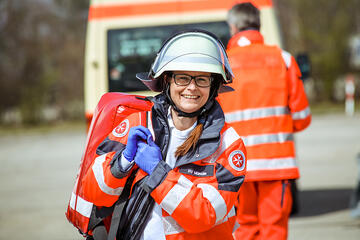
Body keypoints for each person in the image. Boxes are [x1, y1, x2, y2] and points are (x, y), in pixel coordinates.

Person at [81, 30, 247, 239]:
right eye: (183, 78)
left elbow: (205, 215)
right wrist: (122, 162)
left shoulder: (229, 144)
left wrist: (158, 172)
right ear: (167, 80)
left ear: (214, 86)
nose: (192, 87)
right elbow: (94, 194)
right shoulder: (137, 124)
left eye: (202, 79)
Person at [217, 3, 311, 240]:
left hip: (236, 164)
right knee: (274, 228)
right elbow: (302, 118)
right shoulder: (284, 60)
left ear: (233, 27)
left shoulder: (222, 65)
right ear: (258, 24)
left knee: (246, 227)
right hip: (276, 163)